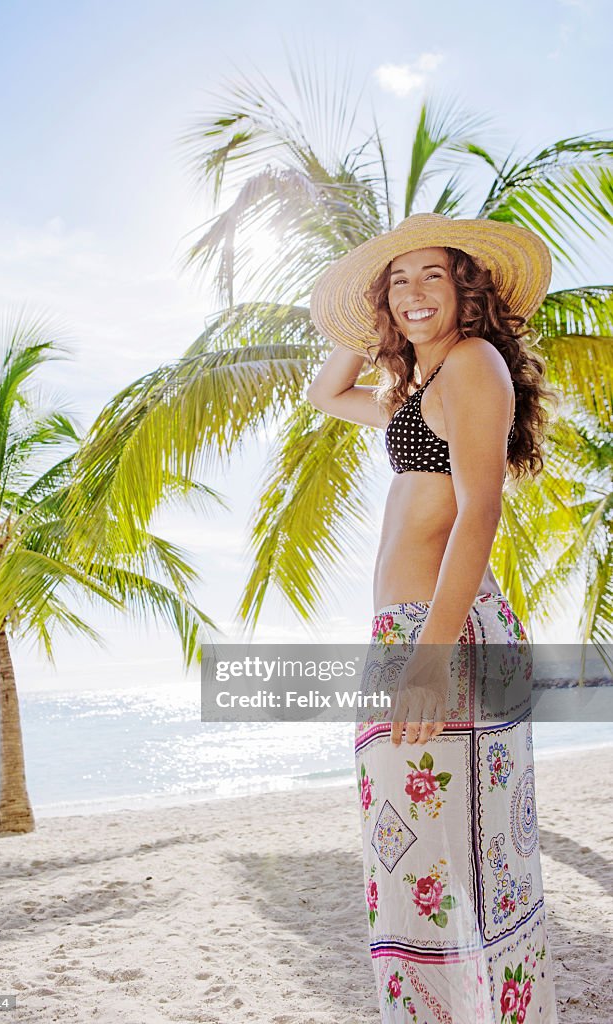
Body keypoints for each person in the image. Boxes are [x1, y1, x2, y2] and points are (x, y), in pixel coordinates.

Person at [306, 213, 559, 1024]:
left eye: (433, 276)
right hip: (409, 635)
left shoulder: (475, 366)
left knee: (471, 867)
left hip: (443, 634)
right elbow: (326, 392)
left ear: (468, 290)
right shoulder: (422, 389)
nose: (415, 293)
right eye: (398, 281)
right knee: (409, 861)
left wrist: (428, 656)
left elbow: (478, 513)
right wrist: (365, 316)